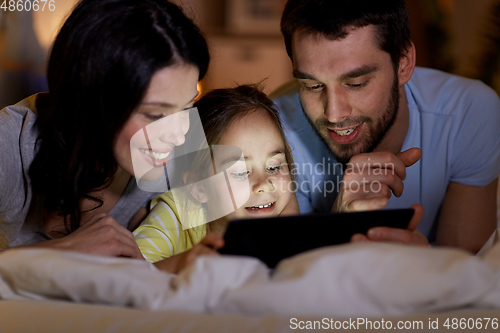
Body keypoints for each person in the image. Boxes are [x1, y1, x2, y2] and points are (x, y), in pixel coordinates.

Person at [273, 0, 500, 253]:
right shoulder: (272, 132)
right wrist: (337, 227)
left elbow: (464, 268)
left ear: (403, 63)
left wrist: (425, 266)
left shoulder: (467, 112)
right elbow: (280, 276)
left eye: (356, 83)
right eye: (312, 86)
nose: (334, 114)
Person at [0, 0, 209, 258]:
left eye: (188, 107)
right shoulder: (9, 142)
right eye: (156, 115)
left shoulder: (185, 151)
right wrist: (63, 252)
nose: (179, 136)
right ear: (90, 99)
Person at [135, 85, 299, 273]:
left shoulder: (283, 215)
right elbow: (126, 276)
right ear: (199, 188)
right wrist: (181, 266)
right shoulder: (175, 215)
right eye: (240, 172)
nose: (263, 185)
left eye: (274, 167)